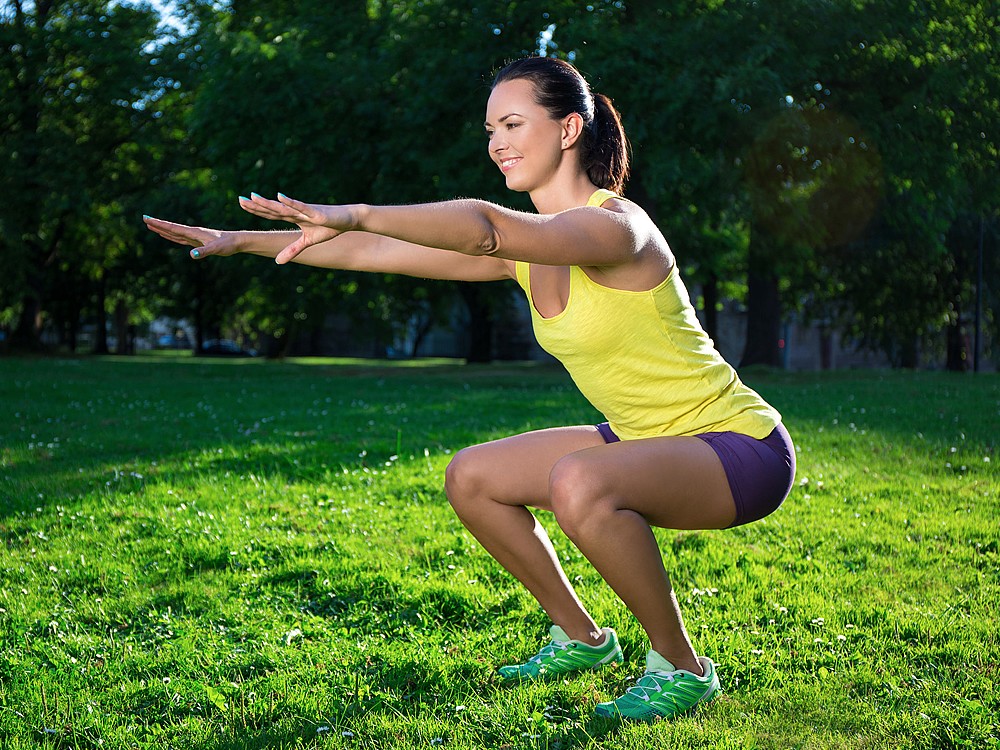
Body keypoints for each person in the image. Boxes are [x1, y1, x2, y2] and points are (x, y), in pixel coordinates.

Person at [144, 55, 795, 721]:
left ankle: (682, 668)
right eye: (490, 130)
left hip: (739, 450)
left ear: (569, 129)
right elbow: (373, 253)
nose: (497, 144)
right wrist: (238, 240)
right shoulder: (525, 254)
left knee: (579, 479)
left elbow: (483, 227)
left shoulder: (618, 227)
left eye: (513, 123)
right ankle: (582, 637)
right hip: (644, 440)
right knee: (473, 477)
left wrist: (359, 211)